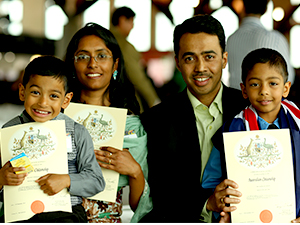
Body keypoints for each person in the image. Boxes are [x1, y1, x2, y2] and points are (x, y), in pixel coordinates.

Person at [140, 14, 249, 223]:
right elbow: (160, 192)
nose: (200, 68)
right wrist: (207, 203)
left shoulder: (249, 109)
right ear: (178, 63)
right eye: (190, 58)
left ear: (224, 59)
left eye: (209, 57)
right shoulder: (156, 120)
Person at [0, 55, 105, 222]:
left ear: (66, 100)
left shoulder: (77, 132)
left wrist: (67, 180)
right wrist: (1, 179)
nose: (43, 102)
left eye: (54, 96)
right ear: (22, 92)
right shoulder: (8, 131)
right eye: (35, 92)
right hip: (20, 213)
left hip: (66, 213)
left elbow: (96, 181)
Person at [64, 22, 151, 223]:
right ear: (72, 64)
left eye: (102, 56)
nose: (92, 63)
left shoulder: (131, 126)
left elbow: (139, 206)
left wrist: (135, 171)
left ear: (116, 64)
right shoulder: (55, 116)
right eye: (83, 56)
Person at [202, 48, 300, 222]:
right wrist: (223, 207)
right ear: (244, 90)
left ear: (286, 88)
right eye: (255, 84)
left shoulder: (298, 124)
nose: (264, 91)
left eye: (273, 83)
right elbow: (211, 182)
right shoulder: (231, 131)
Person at [226, 0, 295, 90]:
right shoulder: (274, 38)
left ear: (243, 7)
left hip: (233, 100)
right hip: (263, 100)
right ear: (266, 9)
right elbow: (288, 77)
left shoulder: (231, 39)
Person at [110, 6, 161, 113]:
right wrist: (153, 100)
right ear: (122, 20)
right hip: (123, 102)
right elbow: (137, 77)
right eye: (131, 22)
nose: (132, 27)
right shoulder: (124, 46)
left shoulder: (103, 39)